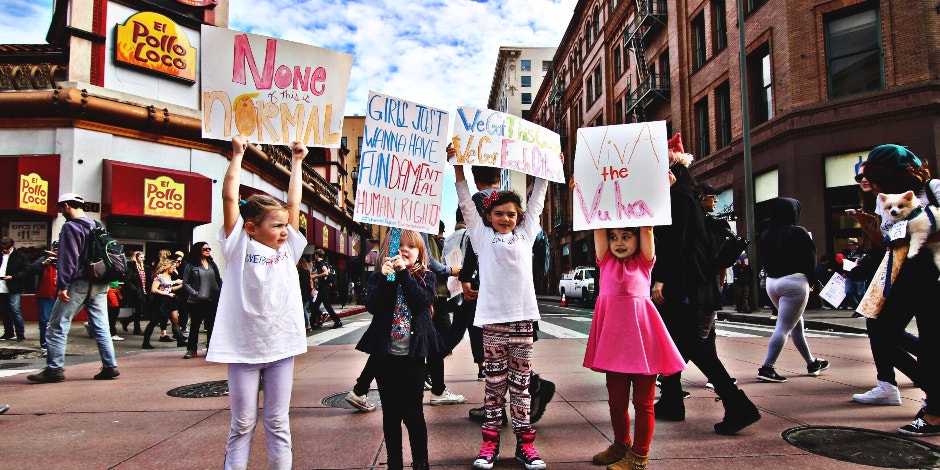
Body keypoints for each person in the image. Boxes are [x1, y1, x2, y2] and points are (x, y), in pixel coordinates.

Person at [651, 135, 761, 435]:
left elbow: (676, 243)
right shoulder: (684, 196)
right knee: (681, 343)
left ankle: (737, 405)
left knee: (693, 347)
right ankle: (672, 400)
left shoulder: (679, 198)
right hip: (696, 284)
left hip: (688, 285)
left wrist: (661, 277)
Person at [455, 160, 549, 470]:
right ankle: (490, 445)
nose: (505, 218)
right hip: (493, 321)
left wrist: (545, 169)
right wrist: (458, 168)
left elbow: (537, 201)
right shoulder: (481, 238)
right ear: (488, 217)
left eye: (511, 214)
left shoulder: (526, 234)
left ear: (519, 217)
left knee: (520, 387)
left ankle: (525, 445)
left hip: (522, 320)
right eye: (499, 214)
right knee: (494, 385)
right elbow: (466, 204)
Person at [849, 145, 937, 435]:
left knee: (932, 341)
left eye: (878, 177)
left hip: (933, 272)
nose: (874, 184)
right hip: (903, 272)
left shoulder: (933, 189)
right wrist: (867, 225)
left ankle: (935, 411)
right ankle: (935, 396)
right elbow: (885, 241)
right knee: (880, 331)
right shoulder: (884, 199)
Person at [585, 226, 685, 470]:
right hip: (614, 345)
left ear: (638, 240)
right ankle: (621, 445)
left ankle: (640, 456)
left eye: (626, 237)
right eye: (614, 237)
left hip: (643, 342)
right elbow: (598, 226)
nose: (618, 242)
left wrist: (657, 187)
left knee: (644, 403)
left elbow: (647, 229)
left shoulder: (644, 262)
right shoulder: (605, 260)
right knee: (616, 403)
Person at [356, 230, 443, 470]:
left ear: (420, 253)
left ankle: (421, 461)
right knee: (391, 413)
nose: (404, 250)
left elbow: (421, 302)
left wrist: (404, 273)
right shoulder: (380, 277)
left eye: (411, 247)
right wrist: (386, 279)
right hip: (386, 356)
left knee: (414, 413)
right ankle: (394, 461)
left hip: (413, 356)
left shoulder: (426, 277)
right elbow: (374, 306)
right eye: (399, 246)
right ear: (387, 251)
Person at [27, 193, 119, 383]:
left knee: (57, 325)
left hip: (79, 282)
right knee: (101, 326)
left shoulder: (71, 227)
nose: (60, 212)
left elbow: (68, 259)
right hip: (100, 282)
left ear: (67, 205)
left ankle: (54, 369)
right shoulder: (96, 225)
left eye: (61, 208)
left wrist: (62, 285)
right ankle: (110, 366)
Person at [755, 197, 829, 383]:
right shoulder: (798, 232)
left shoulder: (765, 234)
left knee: (794, 324)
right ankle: (767, 367)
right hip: (794, 281)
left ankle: (812, 362)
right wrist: (812, 281)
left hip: (772, 282)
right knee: (784, 327)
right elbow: (810, 259)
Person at [181, 241, 222, 359]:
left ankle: (211, 349)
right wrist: (194, 293)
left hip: (212, 300)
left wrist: (221, 293)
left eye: (209, 248)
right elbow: (185, 282)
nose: (208, 250)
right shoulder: (190, 265)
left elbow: (218, 280)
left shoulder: (212, 264)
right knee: (195, 326)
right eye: (205, 249)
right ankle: (191, 349)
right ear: (198, 250)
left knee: (211, 326)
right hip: (196, 301)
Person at [141, 259, 185, 349]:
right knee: (154, 321)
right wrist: (166, 293)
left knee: (175, 319)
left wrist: (182, 285)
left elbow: (170, 289)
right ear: (167, 267)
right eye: (173, 266)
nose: (174, 268)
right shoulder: (159, 277)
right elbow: (154, 289)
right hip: (160, 300)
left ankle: (180, 340)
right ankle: (145, 342)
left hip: (171, 299)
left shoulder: (169, 276)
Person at [21, 242, 58, 350]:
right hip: (45, 294)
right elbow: (29, 270)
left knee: (58, 321)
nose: (56, 250)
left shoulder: (66, 259)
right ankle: (45, 344)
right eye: (55, 248)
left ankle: (56, 343)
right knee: (45, 320)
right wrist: (43, 264)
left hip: (60, 294)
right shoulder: (43, 259)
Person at [0, 237, 30, 341]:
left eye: (6, 248)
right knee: (4, 311)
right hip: (1, 286)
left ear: (12, 246)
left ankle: (20, 334)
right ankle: (8, 333)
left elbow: (26, 271)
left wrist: (13, 277)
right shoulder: (1, 255)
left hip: (14, 286)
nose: (4, 250)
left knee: (15, 309)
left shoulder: (20, 256)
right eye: (2, 248)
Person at [311, 248, 343, 329]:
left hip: (324, 287)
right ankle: (312, 324)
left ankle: (337, 321)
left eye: (315, 255)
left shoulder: (321, 263)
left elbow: (325, 273)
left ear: (317, 255)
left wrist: (316, 276)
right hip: (324, 286)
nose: (314, 257)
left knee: (325, 305)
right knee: (317, 305)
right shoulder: (324, 262)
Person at [120, 251, 148, 335]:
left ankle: (126, 321)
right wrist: (135, 290)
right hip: (136, 292)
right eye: (141, 257)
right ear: (136, 258)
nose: (143, 259)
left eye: (143, 257)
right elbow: (127, 280)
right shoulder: (131, 267)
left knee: (143, 311)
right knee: (139, 310)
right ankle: (136, 328)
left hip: (144, 291)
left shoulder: (145, 267)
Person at [841, 238, 866, 310]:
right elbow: (844, 263)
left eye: (852, 245)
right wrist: (844, 272)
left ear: (856, 245)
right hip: (849, 275)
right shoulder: (847, 253)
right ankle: (857, 307)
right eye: (849, 245)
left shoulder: (862, 252)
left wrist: (860, 261)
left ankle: (861, 309)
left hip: (859, 275)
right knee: (848, 291)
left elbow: (865, 262)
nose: (850, 246)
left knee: (860, 293)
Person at [297, 258, 314, 335]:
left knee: (303, 309)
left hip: (302, 293)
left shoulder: (301, 272)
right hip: (307, 293)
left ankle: (308, 324)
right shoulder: (307, 271)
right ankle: (307, 324)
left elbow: (302, 284)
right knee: (303, 309)